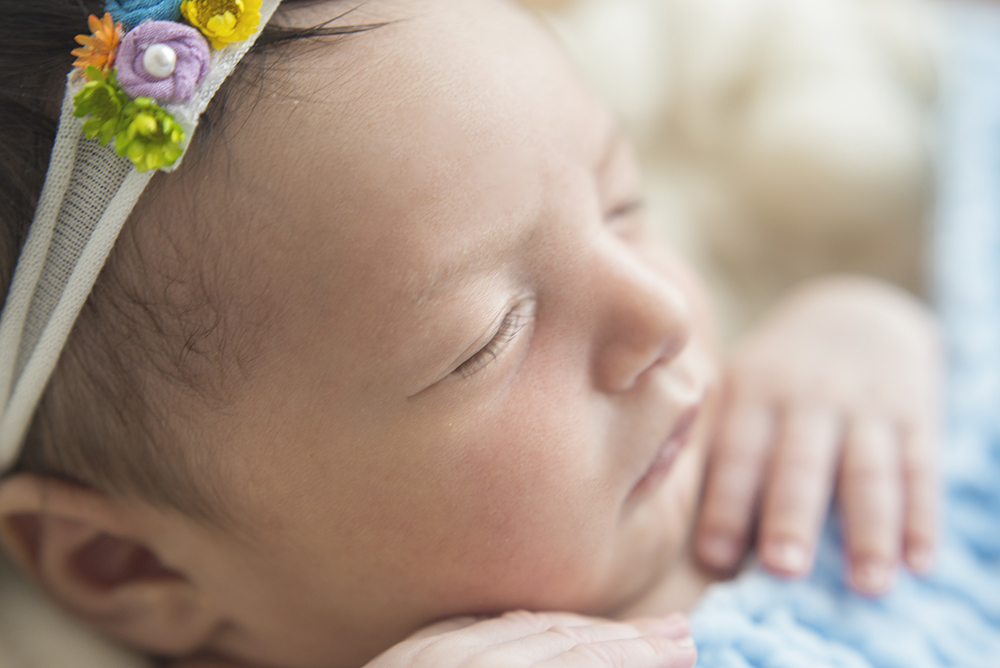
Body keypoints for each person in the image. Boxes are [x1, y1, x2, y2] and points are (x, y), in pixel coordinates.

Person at [0, 1, 942, 667]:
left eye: (623, 206)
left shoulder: (748, 443)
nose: (663, 313)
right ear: (129, 565)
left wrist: (861, 330)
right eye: (491, 338)